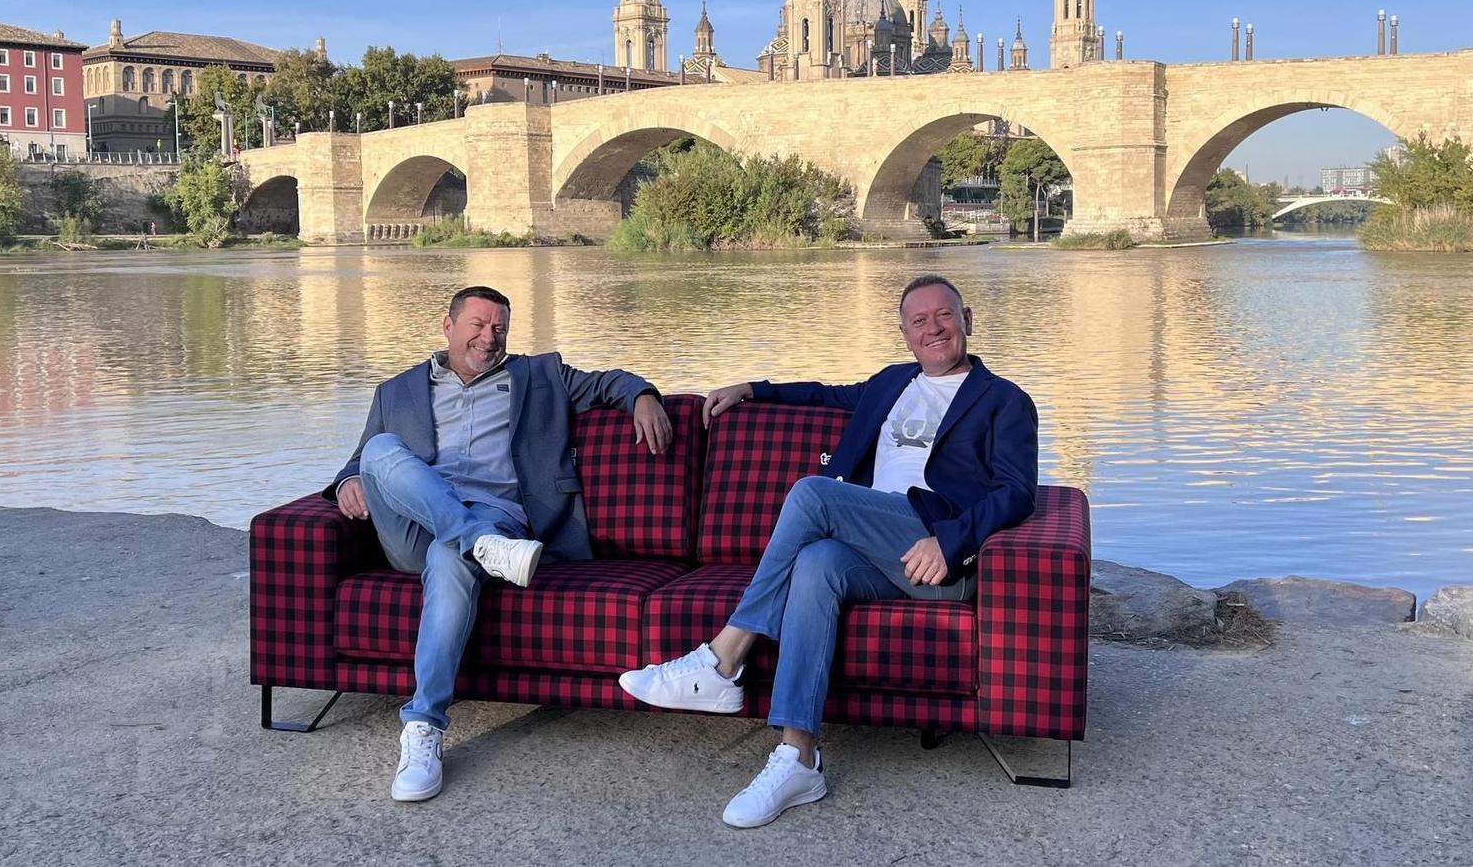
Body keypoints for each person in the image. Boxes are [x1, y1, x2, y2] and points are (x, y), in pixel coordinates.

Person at [619, 274, 1039, 827]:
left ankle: (721, 660)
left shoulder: (1005, 400)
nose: (934, 328)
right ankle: (799, 757)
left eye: (944, 316)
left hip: (935, 553)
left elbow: (1017, 491)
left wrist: (952, 540)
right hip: (873, 549)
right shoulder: (891, 382)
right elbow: (822, 394)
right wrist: (752, 389)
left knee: (814, 493)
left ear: (968, 321)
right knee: (817, 563)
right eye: (920, 321)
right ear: (905, 334)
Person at [326, 285, 672, 802]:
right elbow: (362, 461)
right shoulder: (395, 390)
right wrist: (349, 482)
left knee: (450, 556)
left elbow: (607, 383)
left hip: (499, 514)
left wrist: (643, 395)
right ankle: (478, 544)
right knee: (380, 448)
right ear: (448, 325)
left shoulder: (538, 377)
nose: (490, 338)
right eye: (478, 325)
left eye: (500, 329)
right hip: (412, 527)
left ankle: (423, 727)